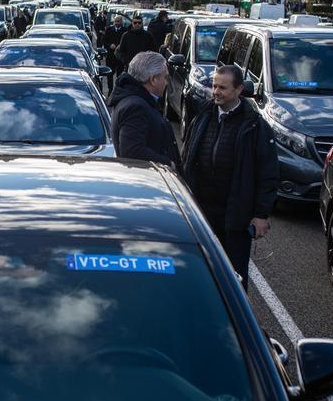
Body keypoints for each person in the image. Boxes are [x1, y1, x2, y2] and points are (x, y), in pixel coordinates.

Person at [181, 64, 279, 283]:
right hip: (202, 212)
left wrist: (261, 214)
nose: (216, 92)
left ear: (239, 89)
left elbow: (267, 173)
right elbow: (187, 154)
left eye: (222, 88)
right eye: (214, 86)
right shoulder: (203, 116)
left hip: (235, 216)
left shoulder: (255, 127)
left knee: (234, 275)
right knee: (201, 271)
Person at [107, 51, 180, 169]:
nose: (167, 82)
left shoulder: (137, 101)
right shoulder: (135, 107)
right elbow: (132, 150)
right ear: (153, 80)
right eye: (165, 77)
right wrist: (167, 163)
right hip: (150, 180)